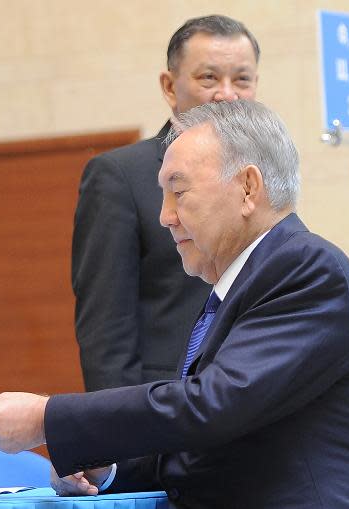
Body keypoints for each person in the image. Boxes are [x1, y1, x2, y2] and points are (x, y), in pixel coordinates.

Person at [0, 100, 349, 507]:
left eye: (179, 191)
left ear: (248, 188)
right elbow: (201, 449)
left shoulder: (306, 269)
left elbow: (210, 407)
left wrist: (46, 418)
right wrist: (103, 468)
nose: (165, 216)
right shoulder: (239, 286)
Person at [72, 15, 259, 391]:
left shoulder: (262, 176)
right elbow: (105, 334)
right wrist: (123, 436)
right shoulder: (120, 176)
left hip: (248, 402)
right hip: (162, 413)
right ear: (170, 86)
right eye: (208, 78)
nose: (227, 94)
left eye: (242, 79)